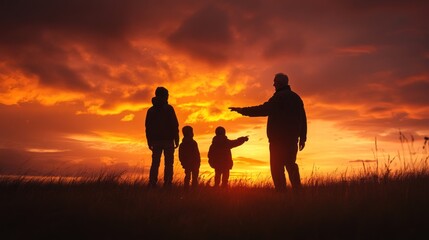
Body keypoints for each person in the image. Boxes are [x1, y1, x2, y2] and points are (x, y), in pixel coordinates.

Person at [229, 73, 307, 191]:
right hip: (292, 140)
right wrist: (303, 137)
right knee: (291, 165)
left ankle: (281, 194)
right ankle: (298, 192)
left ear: (280, 83)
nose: (273, 84)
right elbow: (303, 119)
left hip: (278, 141)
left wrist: (242, 110)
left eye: (275, 82)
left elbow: (263, 109)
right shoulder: (296, 98)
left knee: (277, 168)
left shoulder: (279, 97)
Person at [145, 86, 179, 188]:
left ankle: (152, 183)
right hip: (168, 140)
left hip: (155, 141)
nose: (168, 96)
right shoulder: (169, 109)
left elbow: (148, 127)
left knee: (155, 163)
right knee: (168, 164)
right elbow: (174, 124)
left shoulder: (151, 110)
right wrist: (176, 138)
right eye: (167, 95)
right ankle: (168, 184)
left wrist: (149, 140)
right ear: (164, 96)